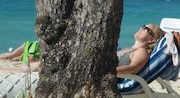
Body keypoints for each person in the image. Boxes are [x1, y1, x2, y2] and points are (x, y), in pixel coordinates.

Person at [0, 24, 164, 74]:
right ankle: (15, 69)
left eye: (146, 29)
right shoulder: (130, 48)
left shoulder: (141, 52)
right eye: (143, 26)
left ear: (152, 39)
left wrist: (105, 70)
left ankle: (12, 71)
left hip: (97, 72)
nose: (142, 28)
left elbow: (132, 68)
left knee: (46, 66)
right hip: (92, 67)